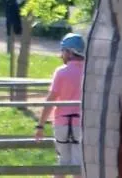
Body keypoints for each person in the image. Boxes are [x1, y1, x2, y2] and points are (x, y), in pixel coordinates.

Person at [37, 33, 85, 167]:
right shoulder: (89, 72)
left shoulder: (61, 72)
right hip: (81, 123)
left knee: (62, 162)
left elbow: (51, 99)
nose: (61, 55)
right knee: (78, 164)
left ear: (69, 52)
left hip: (62, 123)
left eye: (63, 51)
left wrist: (40, 125)